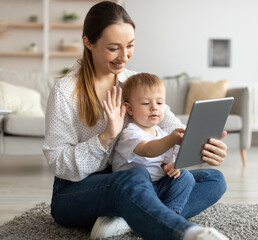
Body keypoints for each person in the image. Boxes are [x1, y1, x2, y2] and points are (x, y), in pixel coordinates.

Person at [42, 1, 229, 239]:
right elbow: (59, 163)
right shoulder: (66, 91)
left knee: (213, 179)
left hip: (132, 183)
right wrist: (106, 136)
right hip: (75, 192)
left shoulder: (132, 81)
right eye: (113, 48)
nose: (124, 56)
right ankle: (184, 233)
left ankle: (127, 219)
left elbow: (172, 126)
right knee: (135, 176)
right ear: (88, 42)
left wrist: (201, 144)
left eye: (130, 46)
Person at [113, 72, 195, 215]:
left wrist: (173, 167)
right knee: (139, 173)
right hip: (134, 190)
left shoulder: (164, 134)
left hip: (158, 187)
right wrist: (171, 140)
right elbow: (147, 150)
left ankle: (168, 215)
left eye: (159, 103)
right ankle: (153, 214)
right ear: (130, 109)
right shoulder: (130, 133)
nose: (154, 107)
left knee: (186, 176)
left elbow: (170, 161)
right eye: (146, 103)